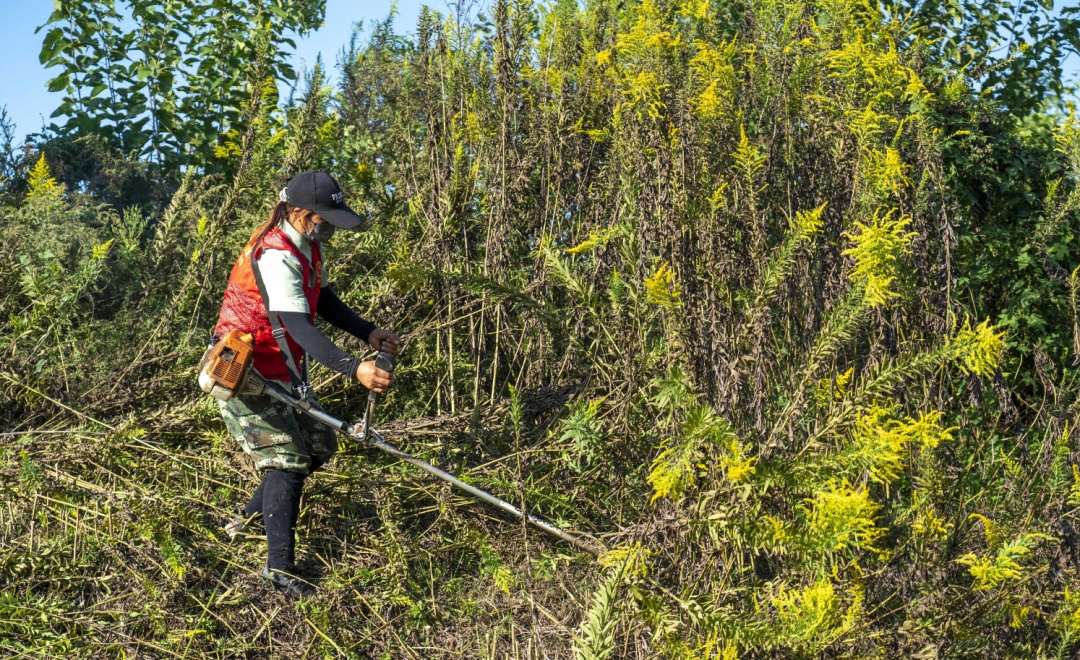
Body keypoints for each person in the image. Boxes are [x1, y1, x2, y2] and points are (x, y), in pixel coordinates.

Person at [212, 171, 399, 599]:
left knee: (318, 444)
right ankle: (280, 572)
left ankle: (246, 518)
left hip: (280, 369)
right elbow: (297, 326)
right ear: (299, 213)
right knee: (286, 459)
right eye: (325, 220)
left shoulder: (304, 245)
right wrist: (354, 368)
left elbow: (321, 297)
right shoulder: (275, 254)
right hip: (245, 372)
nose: (329, 229)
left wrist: (366, 330)